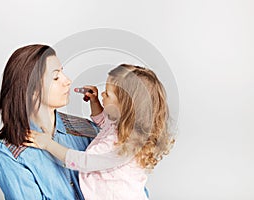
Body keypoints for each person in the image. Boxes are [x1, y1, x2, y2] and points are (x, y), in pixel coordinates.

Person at [25, 64, 175, 200]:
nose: (103, 93)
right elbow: (104, 122)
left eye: (108, 94)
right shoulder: (124, 125)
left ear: (124, 107)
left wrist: (47, 144)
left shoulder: (121, 148)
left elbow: (82, 162)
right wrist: (95, 101)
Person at [0, 44, 99, 199]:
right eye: (56, 77)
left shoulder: (86, 129)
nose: (67, 81)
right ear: (31, 90)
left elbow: (125, 181)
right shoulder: (9, 154)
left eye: (62, 72)